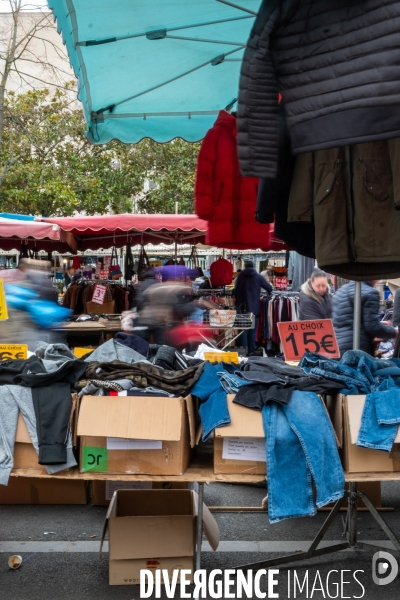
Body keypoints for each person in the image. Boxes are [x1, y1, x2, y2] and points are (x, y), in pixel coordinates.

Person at [332, 281, 398, 355]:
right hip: (358, 349)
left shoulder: (340, 291)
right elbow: (373, 327)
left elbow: (348, 320)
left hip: (337, 348)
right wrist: (394, 332)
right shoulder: (371, 293)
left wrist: (379, 323)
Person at [234, 260, 272, 354]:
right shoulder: (258, 277)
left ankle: (244, 351)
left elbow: (235, 290)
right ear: (253, 266)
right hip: (254, 308)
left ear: (245, 266)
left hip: (242, 308)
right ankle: (251, 351)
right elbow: (269, 287)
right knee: (252, 330)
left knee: (243, 330)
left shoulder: (240, 276)